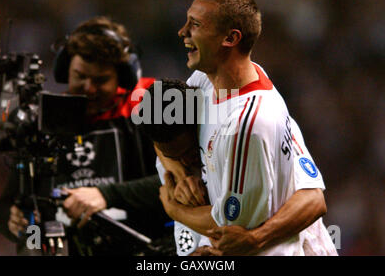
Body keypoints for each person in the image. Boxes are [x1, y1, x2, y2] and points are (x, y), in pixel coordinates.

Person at [149, 0, 337, 255]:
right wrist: (181, 174)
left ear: (230, 39)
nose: (182, 32)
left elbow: (228, 229)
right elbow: (161, 131)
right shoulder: (208, 80)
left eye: (196, 24)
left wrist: (173, 208)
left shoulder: (245, 126)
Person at [0, 16, 172, 255]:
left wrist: (105, 195)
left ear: (124, 77)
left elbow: (175, 181)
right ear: (64, 70)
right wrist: (12, 221)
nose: (89, 88)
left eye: (101, 80)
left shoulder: (146, 110)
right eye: (80, 76)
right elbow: (7, 204)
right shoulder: (43, 120)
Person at [139, 79, 336, 256]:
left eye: (189, 152)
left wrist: (175, 210)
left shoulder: (256, 121)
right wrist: (180, 175)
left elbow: (314, 200)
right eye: (173, 156)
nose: (185, 161)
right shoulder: (172, 146)